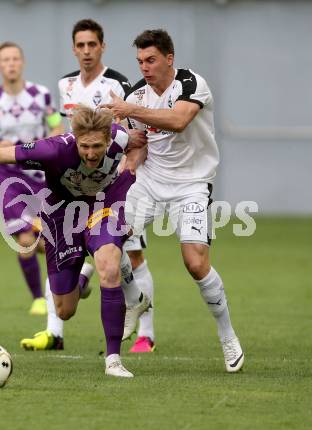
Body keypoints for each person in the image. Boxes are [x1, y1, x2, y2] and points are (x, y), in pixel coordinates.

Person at [0, 106, 149, 377]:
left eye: (97, 146)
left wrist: (131, 165)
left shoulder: (118, 136)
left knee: (108, 263)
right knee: (64, 311)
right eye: (84, 146)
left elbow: (141, 142)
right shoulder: (53, 149)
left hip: (103, 207)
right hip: (62, 216)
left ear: (108, 139)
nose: (91, 153)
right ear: (75, 138)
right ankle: (83, 278)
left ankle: (113, 361)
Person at [102, 29, 244, 373]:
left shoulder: (192, 84)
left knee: (195, 262)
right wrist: (125, 149)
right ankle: (135, 299)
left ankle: (228, 337)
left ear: (169, 58)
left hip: (192, 184)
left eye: (151, 60)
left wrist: (129, 109)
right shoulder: (137, 95)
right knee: (110, 238)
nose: (145, 68)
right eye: (140, 62)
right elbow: (139, 145)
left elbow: (179, 121)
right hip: (151, 181)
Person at [21, 18, 156, 353]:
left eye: (91, 45)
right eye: (80, 45)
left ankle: (145, 335)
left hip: (114, 183)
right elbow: (67, 133)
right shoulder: (66, 84)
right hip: (76, 187)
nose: (85, 51)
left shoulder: (118, 84)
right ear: (73, 48)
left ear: (102, 47)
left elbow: (131, 134)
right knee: (59, 245)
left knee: (132, 253)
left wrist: (126, 167)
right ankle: (55, 331)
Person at [0, 41, 64, 316]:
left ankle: (70, 278)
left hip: (39, 175)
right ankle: (38, 298)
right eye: (5, 60)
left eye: (15, 58)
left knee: (49, 240)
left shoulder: (42, 96)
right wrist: (1, 151)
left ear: (22, 62)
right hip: (7, 178)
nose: (11, 64)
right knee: (24, 240)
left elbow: (57, 127)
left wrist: (41, 146)